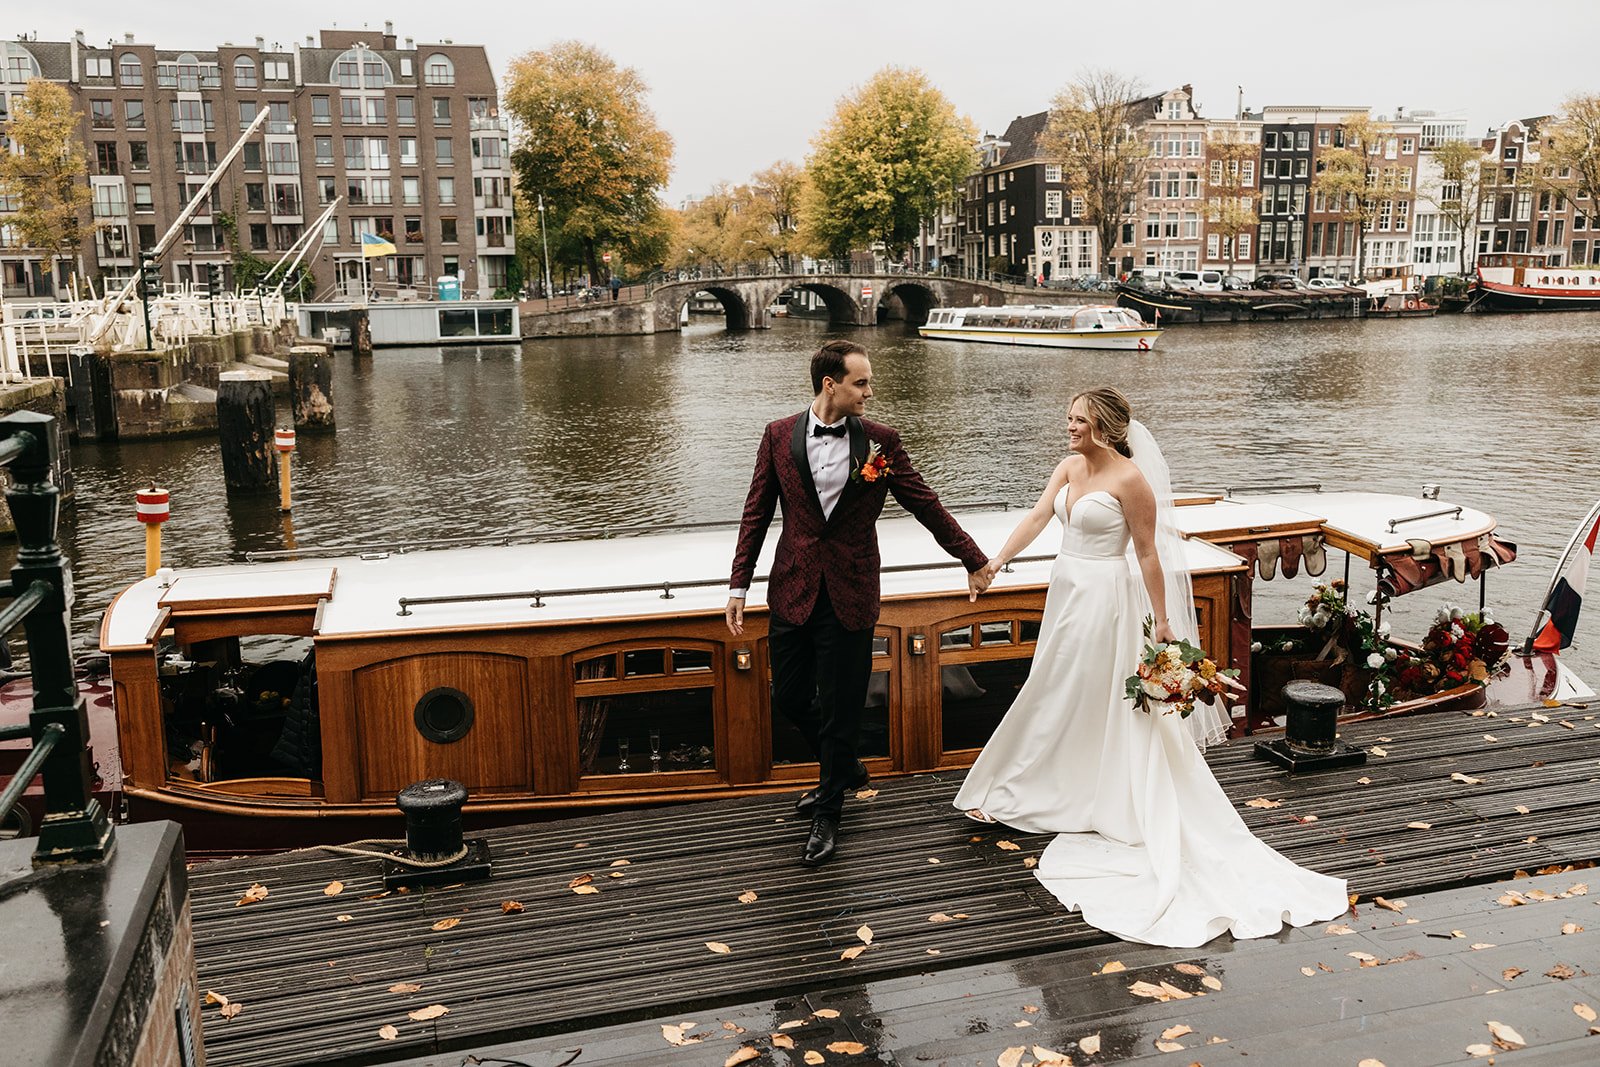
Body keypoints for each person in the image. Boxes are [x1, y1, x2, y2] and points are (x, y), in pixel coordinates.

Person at [954, 387, 1348, 946]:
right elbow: (1040, 517)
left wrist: (1162, 621)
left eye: (1079, 421)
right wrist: (993, 562)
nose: (1069, 428)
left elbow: (1146, 553)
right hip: (1067, 591)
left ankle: (1101, 794)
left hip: (1108, 599)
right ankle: (1038, 784)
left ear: (1105, 428)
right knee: (1054, 687)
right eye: (1067, 418)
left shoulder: (1129, 481)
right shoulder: (1068, 467)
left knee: (1093, 693)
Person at [728, 340, 991, 867]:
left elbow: (925, 503)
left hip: (850, 590)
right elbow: (756, 512)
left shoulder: (881, 443)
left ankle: (829, 809)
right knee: (791, 697)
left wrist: (973, 559)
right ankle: (845, 765)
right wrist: (739, 585)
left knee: (843, 704)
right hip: (792, 587)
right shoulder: (778, 435)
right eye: (862, 383)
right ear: (832, 385)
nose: (870, 392)